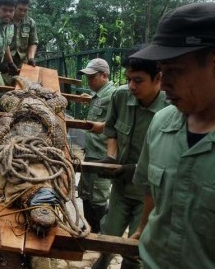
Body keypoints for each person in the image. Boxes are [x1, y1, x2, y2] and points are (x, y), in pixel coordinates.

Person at [130, 2, 215, 268]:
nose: (163, 83)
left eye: (175, 71)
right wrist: (143, 230)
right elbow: (152, 193)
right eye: (162, 71)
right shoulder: (161, 123)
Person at [92, 47, 167, 269]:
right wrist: (111, 157)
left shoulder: (172, 109)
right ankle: (103, 261)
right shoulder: (121, 96)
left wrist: (139, 168)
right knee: (108, 236)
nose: (132, 85)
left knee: (136, 247)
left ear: (158, 79)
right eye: (128, 79)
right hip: (122, 187)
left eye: (138, 80)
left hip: (150, 194)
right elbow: (112, 129)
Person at [77, 58, 116, 233]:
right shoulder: (99, 95)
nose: (89, 81)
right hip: (91, 152)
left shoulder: (113, 95)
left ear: (104, 75)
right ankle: (91, 227)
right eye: (88, 78)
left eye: (93, 77)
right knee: (85, 192)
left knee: (98, 195)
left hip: (102, 153)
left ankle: (102, 231)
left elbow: (114, 124)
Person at [1, 0, 38, 85]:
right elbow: (3, 42)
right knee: (4, 86)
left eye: (25, 10)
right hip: (5, 61)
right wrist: (9, 61)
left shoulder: (30, 22)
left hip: (22, 61)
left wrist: (31, 58)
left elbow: (33, 42)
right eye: (20, 9)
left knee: (22, 86)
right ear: (15, 7)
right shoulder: (6, 20)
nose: (22, 13)